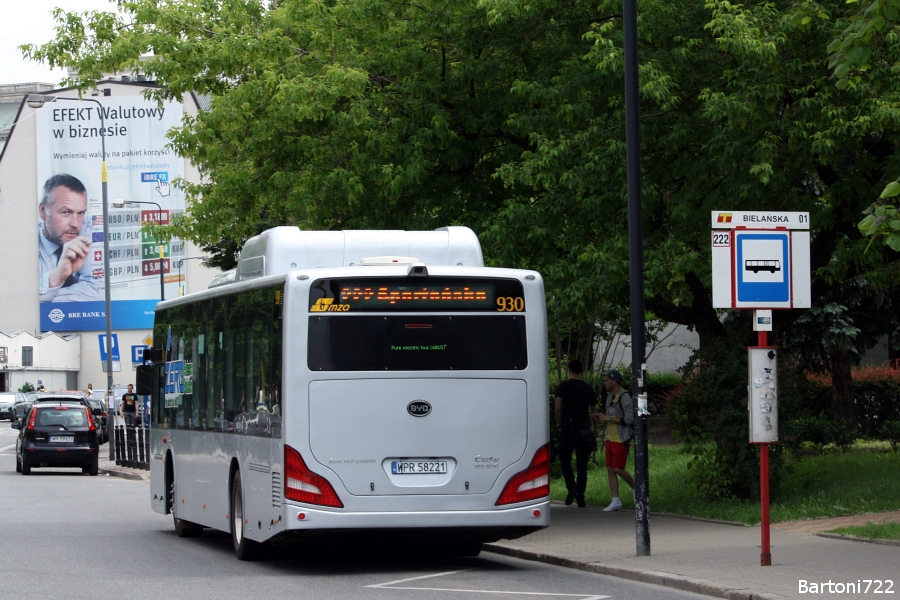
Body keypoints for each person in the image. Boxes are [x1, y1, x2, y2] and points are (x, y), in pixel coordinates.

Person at [38, 173, 102, 302]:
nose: (75, 224)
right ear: (43, 211)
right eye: (66, 212)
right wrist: (58, 275)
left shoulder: (91, 228)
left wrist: (45, 293)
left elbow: (96, 289)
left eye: (81, 213)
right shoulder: (25, 244)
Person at [554, 359, 597, 508]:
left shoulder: (564, 386)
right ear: (582, 370)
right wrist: (594, 428)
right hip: (583, 429)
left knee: (565, 460)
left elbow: (558, 407)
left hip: (567, 428)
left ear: (569, 370)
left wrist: (559, 424)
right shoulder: (587, 387)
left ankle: (571, 487)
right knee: (582, 464)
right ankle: (581, 496)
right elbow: (594, 411)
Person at [596, 369, 635, 512]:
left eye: (606, 380)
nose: (604, 383)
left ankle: (636, 488)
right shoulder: (610, 396)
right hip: (610, 437)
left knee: (618, 468)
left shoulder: (624, 396)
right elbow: (610, 415)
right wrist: (602, 417)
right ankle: (615, 500)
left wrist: (609, 419)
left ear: (614, 381)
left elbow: (629, 419)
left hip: (621, 438)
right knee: (610, 469)